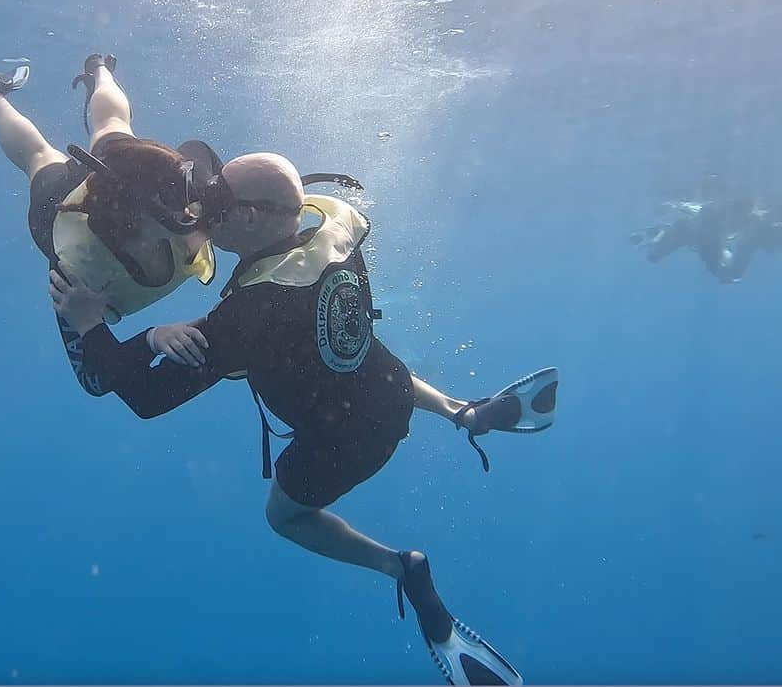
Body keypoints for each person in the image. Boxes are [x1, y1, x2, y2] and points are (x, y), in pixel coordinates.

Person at [48, 151, 559, 685]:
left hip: (345, 442)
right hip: (383, 386)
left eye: (217, 198)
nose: (203, 204)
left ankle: (400, 568)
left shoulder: (249, 315)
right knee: (366, 361)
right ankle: (463, 411)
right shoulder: (333, 227)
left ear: (249, 217)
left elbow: (146, 399)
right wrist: (200, 329)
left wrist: (90, 326)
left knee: (285, 519)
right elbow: (279, 317)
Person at [0, 53, 220, 395]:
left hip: (126, 174)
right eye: (176, 204)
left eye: (186, 196)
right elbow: (93, 379)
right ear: (144, 214)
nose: (191, 214)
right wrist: (144, 337)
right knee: (38, 156)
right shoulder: (77, 272)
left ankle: (99, 67)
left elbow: (197, 150)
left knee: (114, 126)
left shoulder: (175, 186)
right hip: (59, 209)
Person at [630, 198, 782, 284]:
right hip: (695, 232)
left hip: (699, 233)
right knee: (656, 254)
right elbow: (711, 254)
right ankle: (656, 234)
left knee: (659, 251)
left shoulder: (749, 219)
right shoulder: (715, 223)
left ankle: (656, 234)